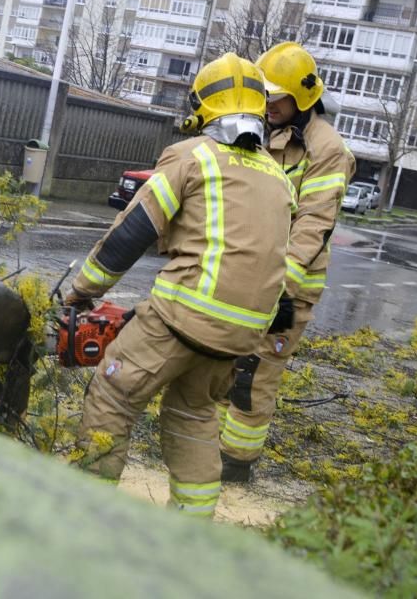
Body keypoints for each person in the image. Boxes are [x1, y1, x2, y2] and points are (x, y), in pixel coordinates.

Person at [65, 53, 296, 516]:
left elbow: (131, 235)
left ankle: (82, 519)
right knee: (194, 415)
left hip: (180, 320)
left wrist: (82, 292)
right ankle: (189, 532)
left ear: (203, 106)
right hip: (239, 338)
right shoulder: (278, 177)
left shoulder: (192, 157)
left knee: (114, 395)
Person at [218, 42, 356, 482]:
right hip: (246, 272)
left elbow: (315, 225)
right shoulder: (265, 130)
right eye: (265, 94)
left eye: (275, 96)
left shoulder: (326, 149)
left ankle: (236, 465)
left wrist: (280, 291)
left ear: (301, 98)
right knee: (221, 362)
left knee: (254, 376)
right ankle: (204, 448)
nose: (267, 103)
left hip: (286, 289)